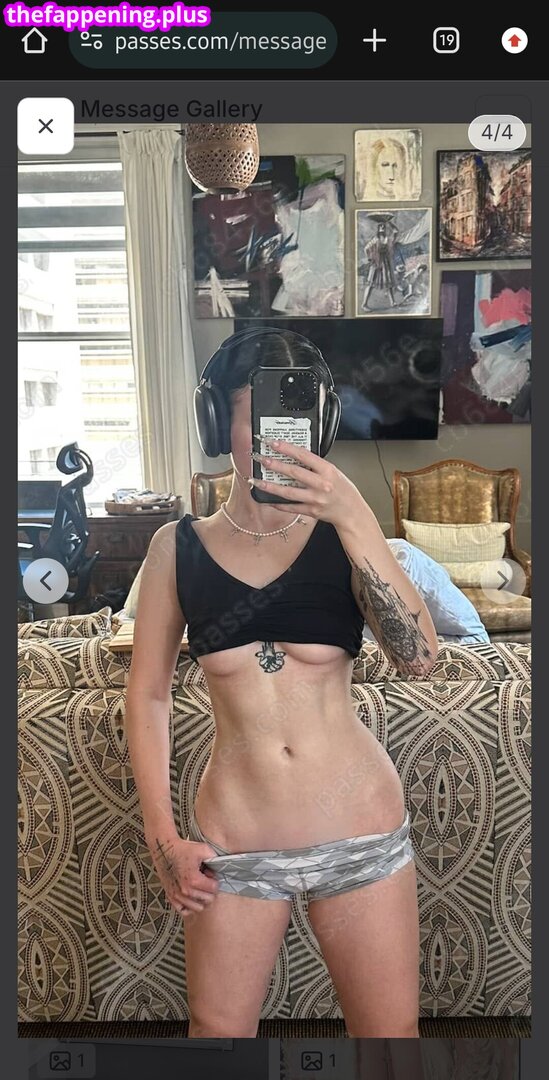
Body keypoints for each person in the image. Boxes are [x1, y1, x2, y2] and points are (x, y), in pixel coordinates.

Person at [126, 327, 438, 1038]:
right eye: (258, 413)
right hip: (235, 845)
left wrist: (354, 514)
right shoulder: (177, 548)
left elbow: (420, 658)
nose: (279, 436)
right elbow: (148, 696)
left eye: (295, 415)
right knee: (216, 1039)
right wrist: (162, 837)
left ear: (321, 424)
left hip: (360, 832)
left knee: (389, 1044)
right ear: (217, 423)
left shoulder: (347, 538)